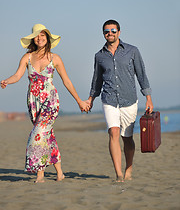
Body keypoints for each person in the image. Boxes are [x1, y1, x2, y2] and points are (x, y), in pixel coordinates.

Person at [1, 23, 90, 183]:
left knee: (38, 134)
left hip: (50, 100)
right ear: (33, 39)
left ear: (47, 38)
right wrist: (7, 81)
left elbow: (67, 81)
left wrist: (79, 101)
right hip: (34, 102)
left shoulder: (55, 58)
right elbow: (17, 75)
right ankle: (60, 173)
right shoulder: (27, 57)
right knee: (47, 136)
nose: (39, 38)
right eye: (37, 35)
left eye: (42, 35)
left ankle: (40, 173)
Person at [87, 19, 153, 182]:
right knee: (113, 132)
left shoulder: (132, 51)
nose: (109, 33)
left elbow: (141, 75)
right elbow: (97, 80)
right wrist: (90, 99)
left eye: (113, 30)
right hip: (109, 99)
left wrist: (148, 99)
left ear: (119, 32)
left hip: (129, 100)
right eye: (106, 31)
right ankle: (118, 174)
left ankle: (128, 169)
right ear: (103, 34)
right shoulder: (99, 56)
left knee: (127, 137)